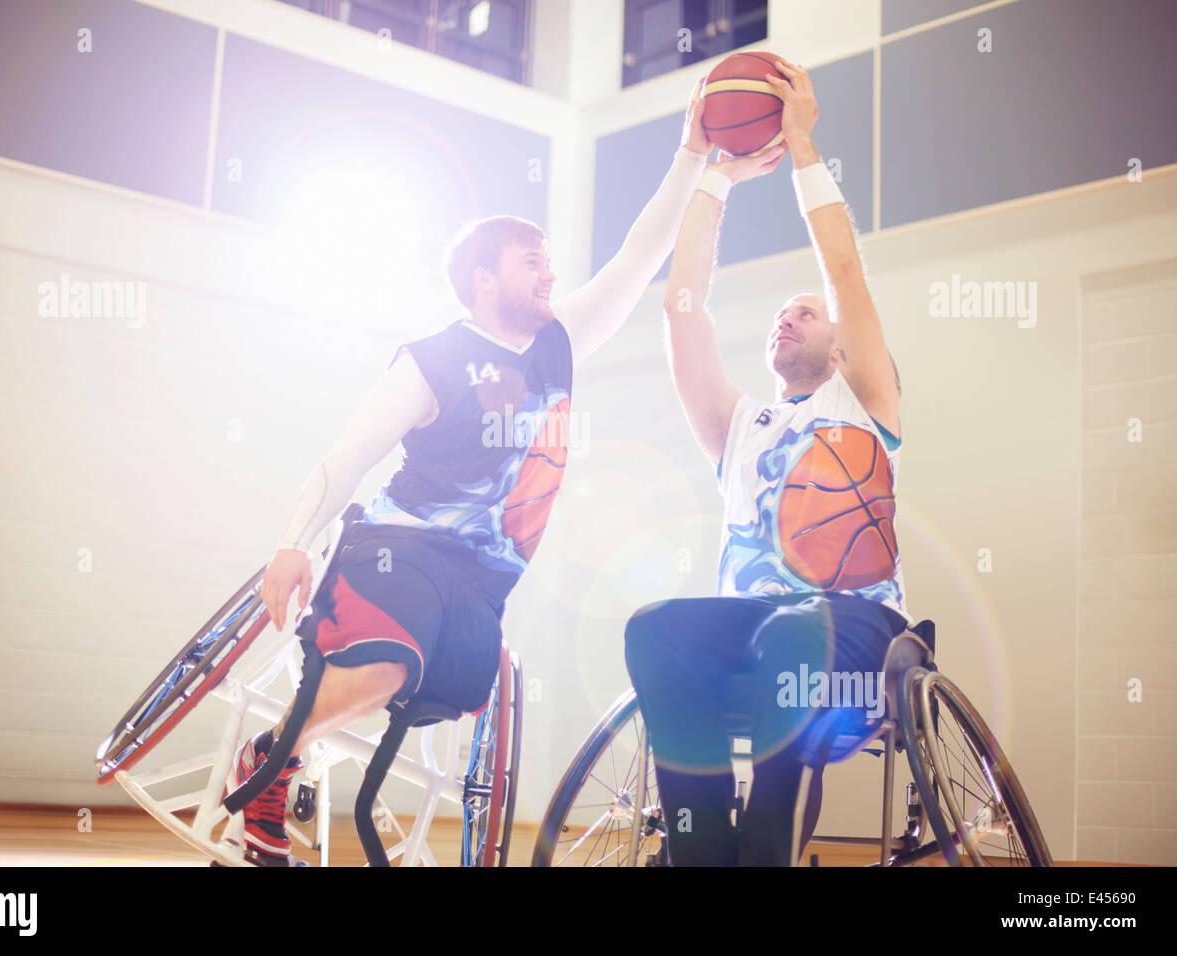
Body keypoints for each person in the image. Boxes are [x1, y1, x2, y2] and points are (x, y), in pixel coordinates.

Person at [229, 84, 788, 866]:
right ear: (484, 279)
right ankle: (269, 757)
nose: (550, 277)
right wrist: (293, 542)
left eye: (550, 264)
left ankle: (294, 752)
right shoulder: (432, 360)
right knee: (390, 663)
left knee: (444, 689)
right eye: (532, 264)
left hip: (482, 580)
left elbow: (637, 258)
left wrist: (700, 159)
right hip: (398, 548)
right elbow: (349, 455)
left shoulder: (558, 341)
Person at [624, 60, 914, 867]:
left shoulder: (864, 399)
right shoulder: (739, 425)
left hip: (859, 641)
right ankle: (701, 850)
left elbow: (844, 272)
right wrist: (715, 176)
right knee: (656, 628)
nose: (788, 318)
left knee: (797, 629)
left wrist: (802, 145)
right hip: (750, 642)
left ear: (842, 342)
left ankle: (761, 849)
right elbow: (681, 309)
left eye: (806, 312)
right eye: (781, 314)